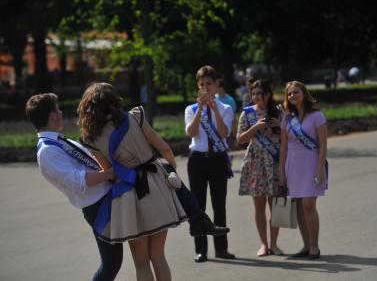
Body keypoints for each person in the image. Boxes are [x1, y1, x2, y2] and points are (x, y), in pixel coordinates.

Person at [76, 82, 230, 280]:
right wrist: (170, 173)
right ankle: (200, 222)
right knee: (158, 256)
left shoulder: (90, 138)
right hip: (155, 187)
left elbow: (110, 173)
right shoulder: (135, 117)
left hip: (129, 197)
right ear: (115, 100)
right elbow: (165, 149)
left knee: (141, 262)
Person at [26, 93, 127, 281]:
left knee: (113, 260)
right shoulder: (47, 151)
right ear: (52, 117)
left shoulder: (59, 141)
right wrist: (112, 173)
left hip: (107, 196)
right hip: (98, 207)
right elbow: (79, 180)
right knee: (112, 262)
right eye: (57, 109)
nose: (61, 112)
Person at [184, 65, 235, 263]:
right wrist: (201, 110)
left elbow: (224, 134)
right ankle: (201, 250)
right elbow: (191, 132)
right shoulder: (191, 109)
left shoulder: (225, 108)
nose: (205, 88)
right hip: (197, 159)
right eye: (201, 84)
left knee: (219, 204)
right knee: (198, 205)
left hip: (218, 160)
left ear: (215, 85)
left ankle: (221, 248)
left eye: (209, 84)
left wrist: (214, 109)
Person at [279, 81, 328, 260]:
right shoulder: (287, 118)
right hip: (292, 165)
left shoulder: (317, 116)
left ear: (304, 93)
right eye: (289, 94)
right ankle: (306, 246)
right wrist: (281, 171)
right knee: (299, 207)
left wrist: (320, 169)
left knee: (308, 206)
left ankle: (315, 246)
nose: (292, 96)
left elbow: (323, 145)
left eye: (296, 92)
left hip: (311, 164)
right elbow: (283, 147)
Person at [236, 79, 284, 257]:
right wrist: (256, 127)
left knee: (276, 205)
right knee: (259, 207)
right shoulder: (247, 114)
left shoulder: (278, 112)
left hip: (275, 162)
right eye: (253, 93)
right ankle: (263, 244)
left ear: (269, 94)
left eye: (260, 93)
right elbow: (240, 139)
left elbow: (289, 136)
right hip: (255, 162)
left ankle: (275, 244)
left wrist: (279, 125)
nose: (256, 97)